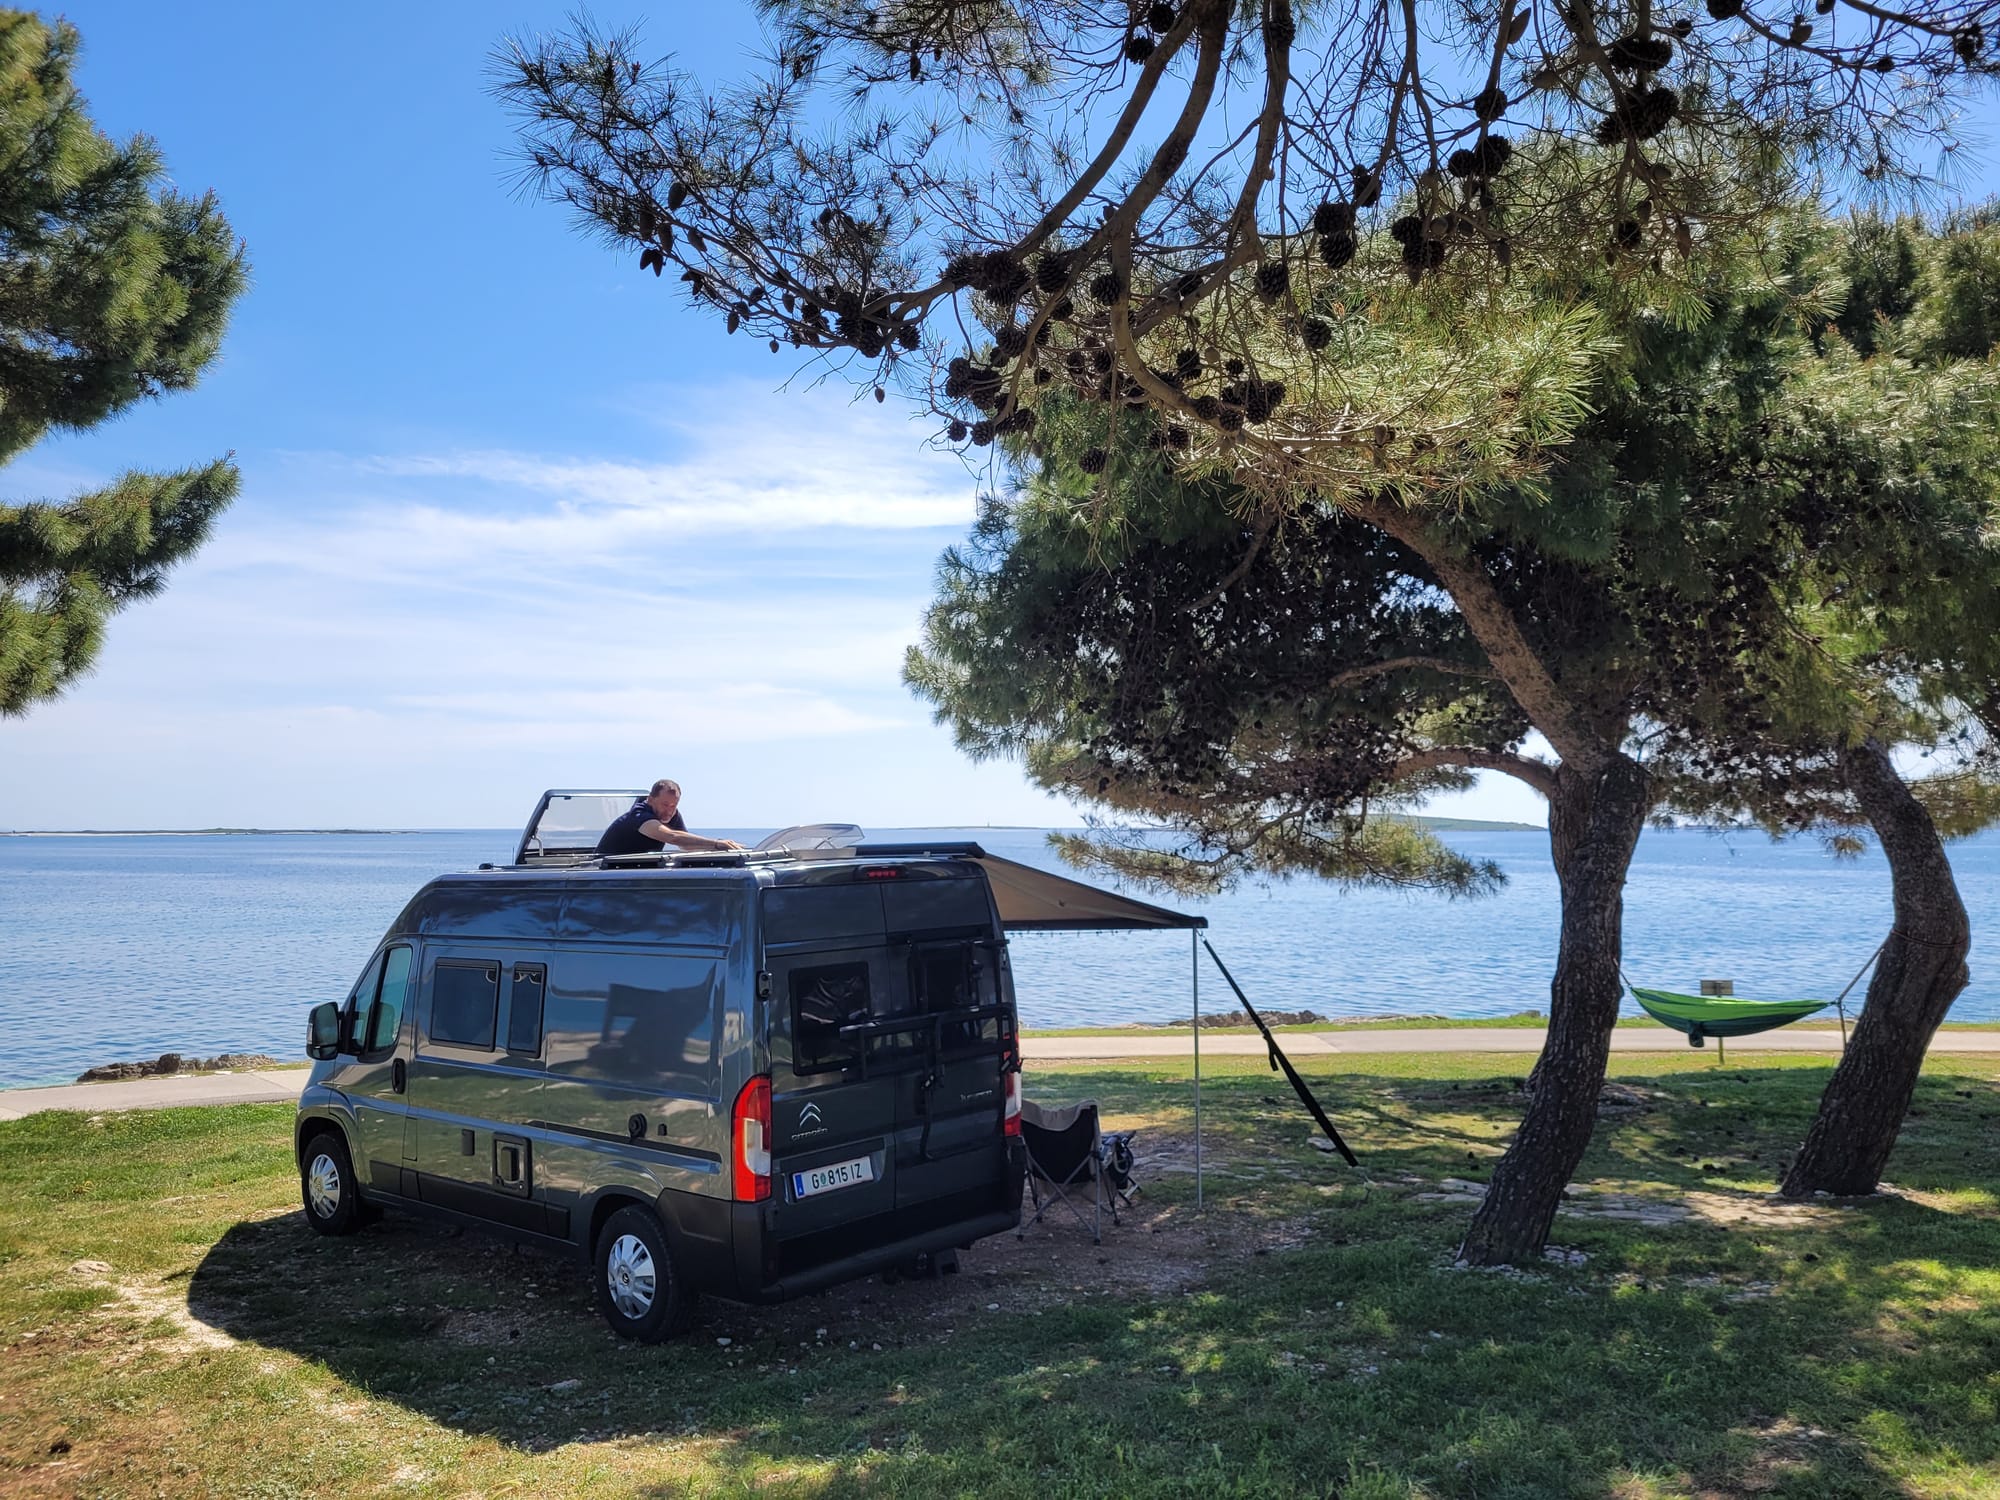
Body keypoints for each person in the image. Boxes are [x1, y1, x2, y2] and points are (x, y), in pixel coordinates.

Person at [595, 780, 745, 856]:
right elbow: (672, 837)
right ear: (651, 799)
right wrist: (717, 844)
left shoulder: (672, 814)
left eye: (674, 805)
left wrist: (725, 851)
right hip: (602, 872)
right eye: (665, 804)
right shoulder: (639, 814)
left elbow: (686, 845)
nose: (669, 810)